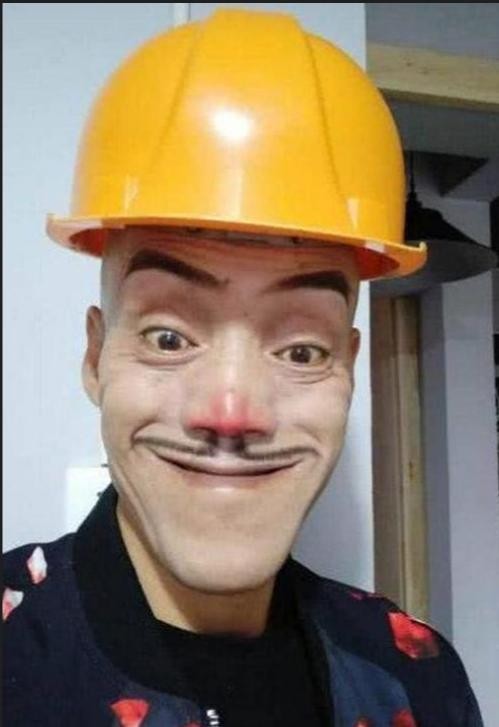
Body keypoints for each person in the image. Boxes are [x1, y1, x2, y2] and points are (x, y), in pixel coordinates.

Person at [3, 8, 483, 727]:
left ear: (349, 371)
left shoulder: (419, 677)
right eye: (169, 337)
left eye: (301, 350)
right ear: (96, 357)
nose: (231, 412)